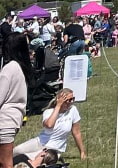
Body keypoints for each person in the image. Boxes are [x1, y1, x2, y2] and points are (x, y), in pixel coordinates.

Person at [13, 90, 84, 163]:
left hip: (54, 148)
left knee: (29, 159)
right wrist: (58, 106)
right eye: (68, 100)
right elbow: (49, 125)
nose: (71, 102)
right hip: (40, 141)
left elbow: (76, 132)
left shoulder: (73, 110)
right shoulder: (48, 112)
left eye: (72, 99)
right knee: (16, 151)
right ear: (59, 100)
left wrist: (82, 152)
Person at [0, 33, 33, 168]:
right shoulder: (21, 67)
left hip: (5, 120)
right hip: (14, 118)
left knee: (5, 162)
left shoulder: (9, 69)